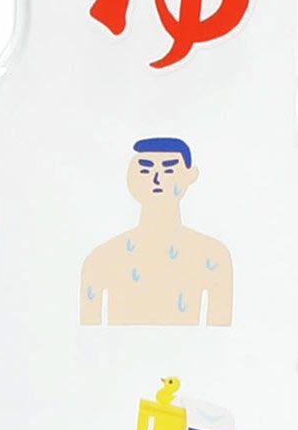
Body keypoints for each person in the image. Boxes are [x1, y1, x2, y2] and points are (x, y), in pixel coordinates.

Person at [79, 137, 233, 326]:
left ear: (190, 176)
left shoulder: (212, 256)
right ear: (130, 178)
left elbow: (220, 333)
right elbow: (87, 333)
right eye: (145, 170)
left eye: (169, 170)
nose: (156, 179)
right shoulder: (101, 260)